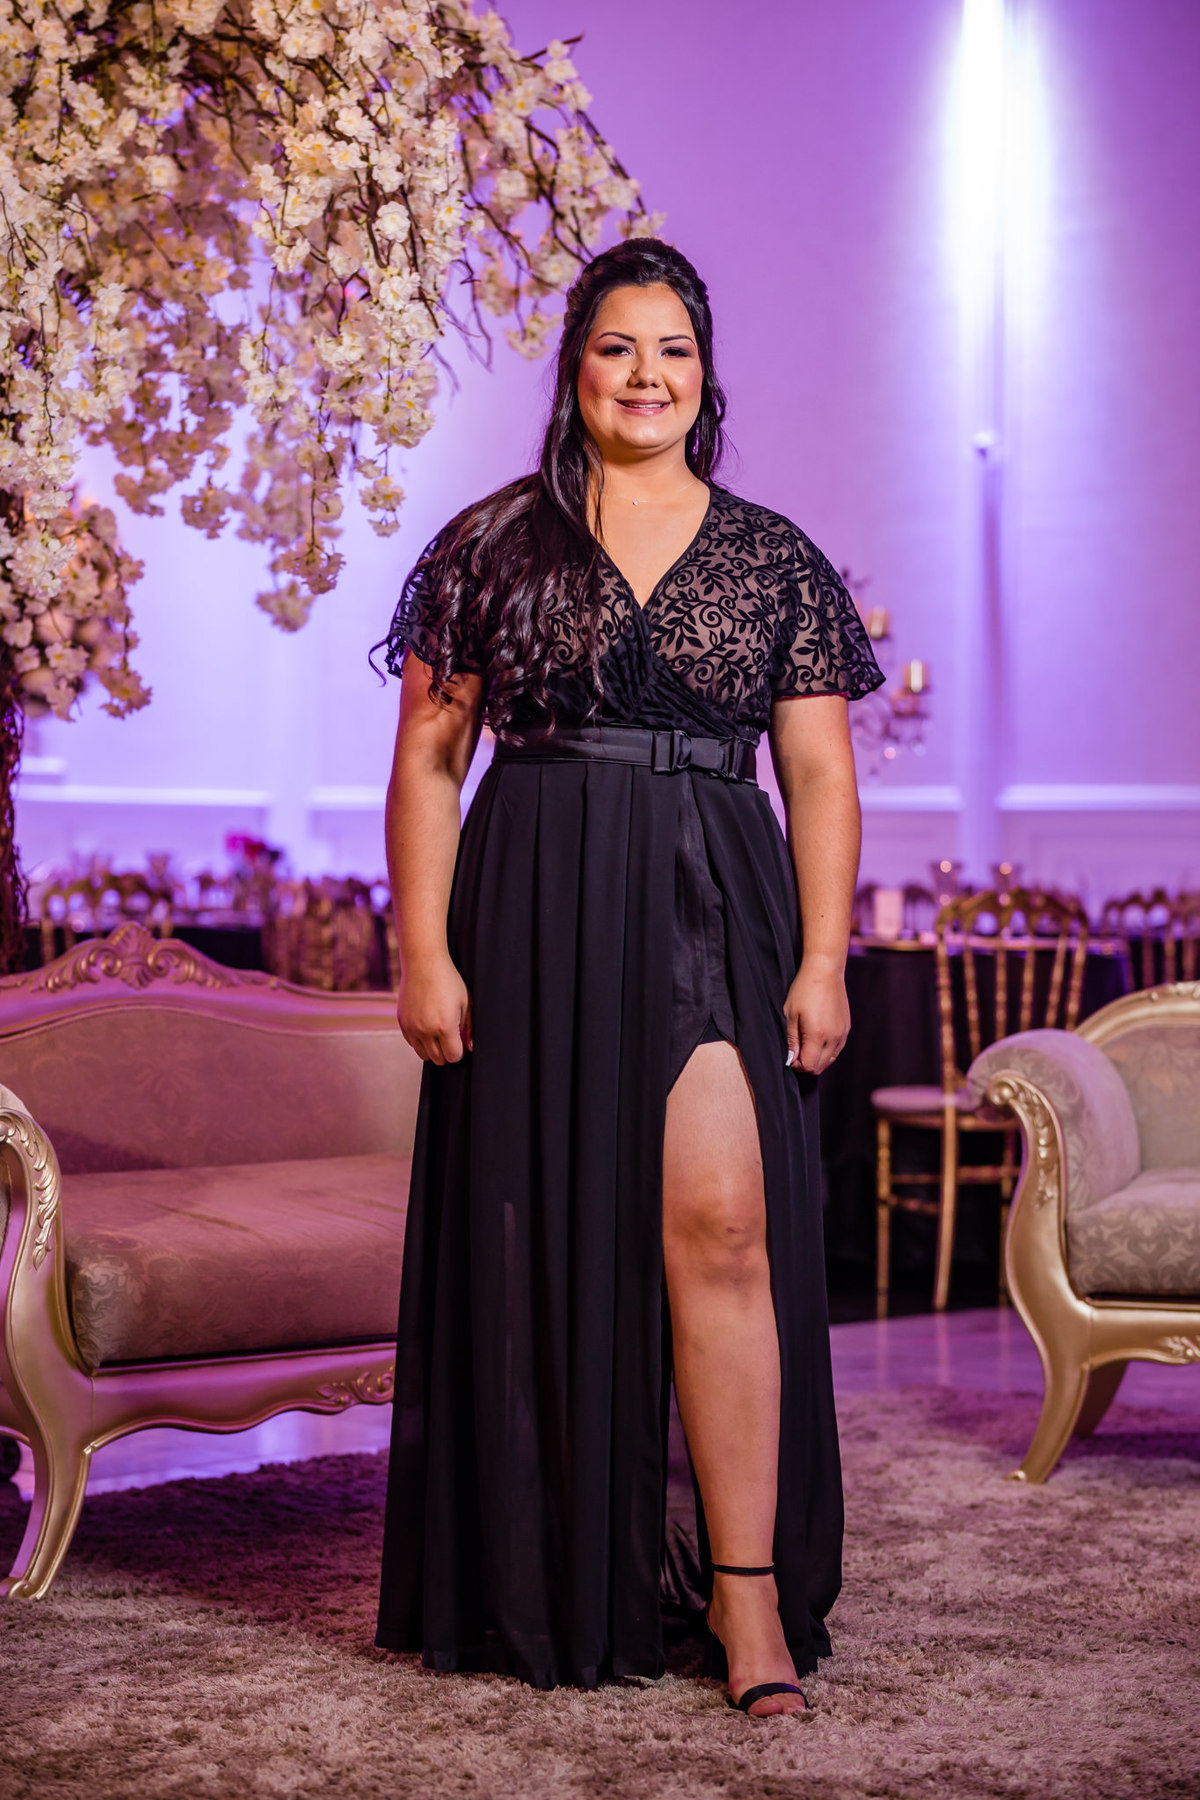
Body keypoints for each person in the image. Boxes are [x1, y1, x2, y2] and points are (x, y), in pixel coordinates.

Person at [374, 239, 883, 1717]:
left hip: (719, 900)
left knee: (724, 1225)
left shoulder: (774, 558)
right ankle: (556, 1580)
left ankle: (746, 1593)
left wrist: (825, 957)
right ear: (575, 368)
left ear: (706, 376)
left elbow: (819, 775)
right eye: (617, 347)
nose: (646, 375)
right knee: (545, 1239)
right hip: (532, 899)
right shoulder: (490, 545)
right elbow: (426, 764)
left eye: (674, 349)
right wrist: (423, 950)